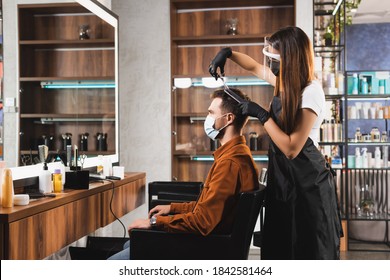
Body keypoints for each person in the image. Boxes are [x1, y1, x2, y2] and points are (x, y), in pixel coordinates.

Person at [209, 26, 342, 260]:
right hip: (284, 182)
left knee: (307, 252)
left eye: (273, 57)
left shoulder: (311, 92)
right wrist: (227, 53)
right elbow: (253, 66)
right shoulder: (284, 83)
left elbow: (291, 148)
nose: (269, 62)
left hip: (309, 186)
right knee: (281, 250)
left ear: (289, 57)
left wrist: (262, 115)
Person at [108, 88, 259, 260]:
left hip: (205, 246)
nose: (207, 118)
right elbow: (207, 207)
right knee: (131, 244)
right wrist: (172, 208)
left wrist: (154, 223)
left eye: (211, 113)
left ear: (229, 118)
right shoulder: (237, 155)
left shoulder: (230, 164)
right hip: (211, 241)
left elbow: (203, 221)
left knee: (113, 261)